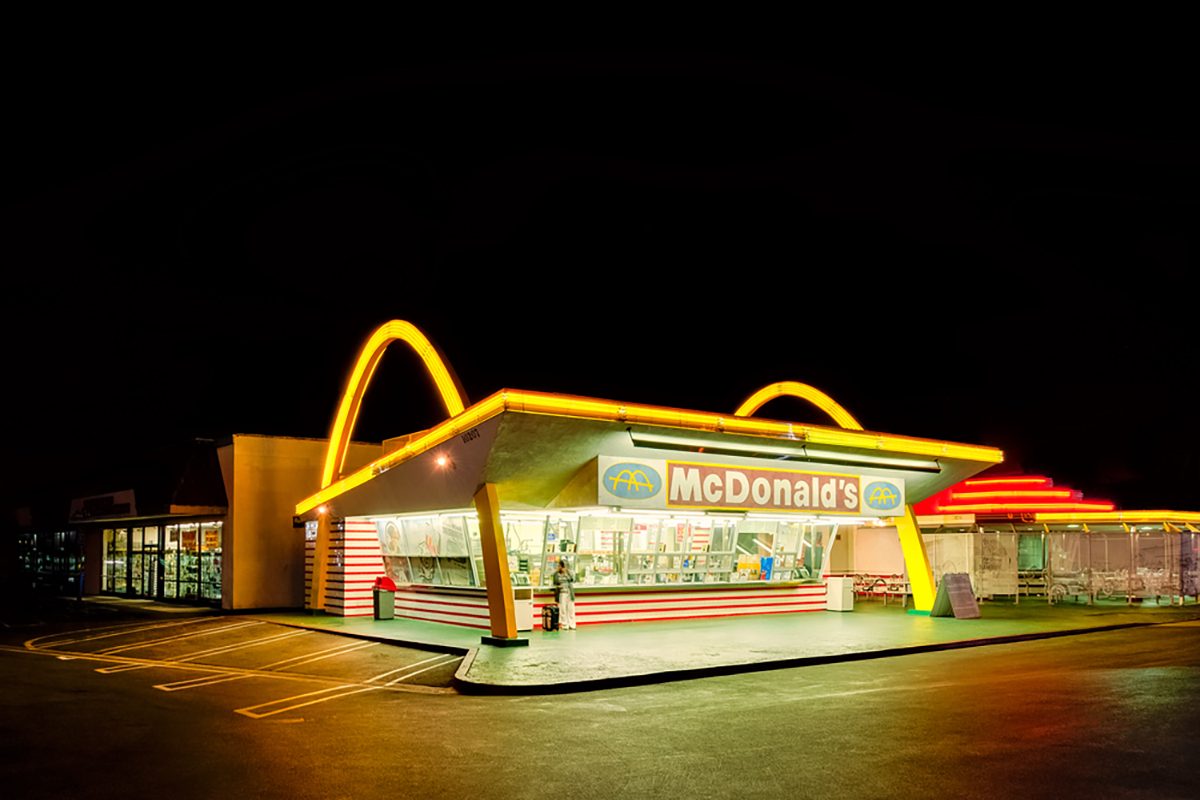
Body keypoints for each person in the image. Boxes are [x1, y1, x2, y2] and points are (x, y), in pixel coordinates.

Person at [552, 559, 576, 630]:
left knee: (571, 609)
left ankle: (572, 624)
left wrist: (566, 572)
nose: (559, 567)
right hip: (562, 593)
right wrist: (558, 586)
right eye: (559, 566)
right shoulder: (556, 574)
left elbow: (572, 579)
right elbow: (555, 582)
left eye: (561, 566)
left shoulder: (569, 573)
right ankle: (564, 624)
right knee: (563, 609)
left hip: (569, 593)